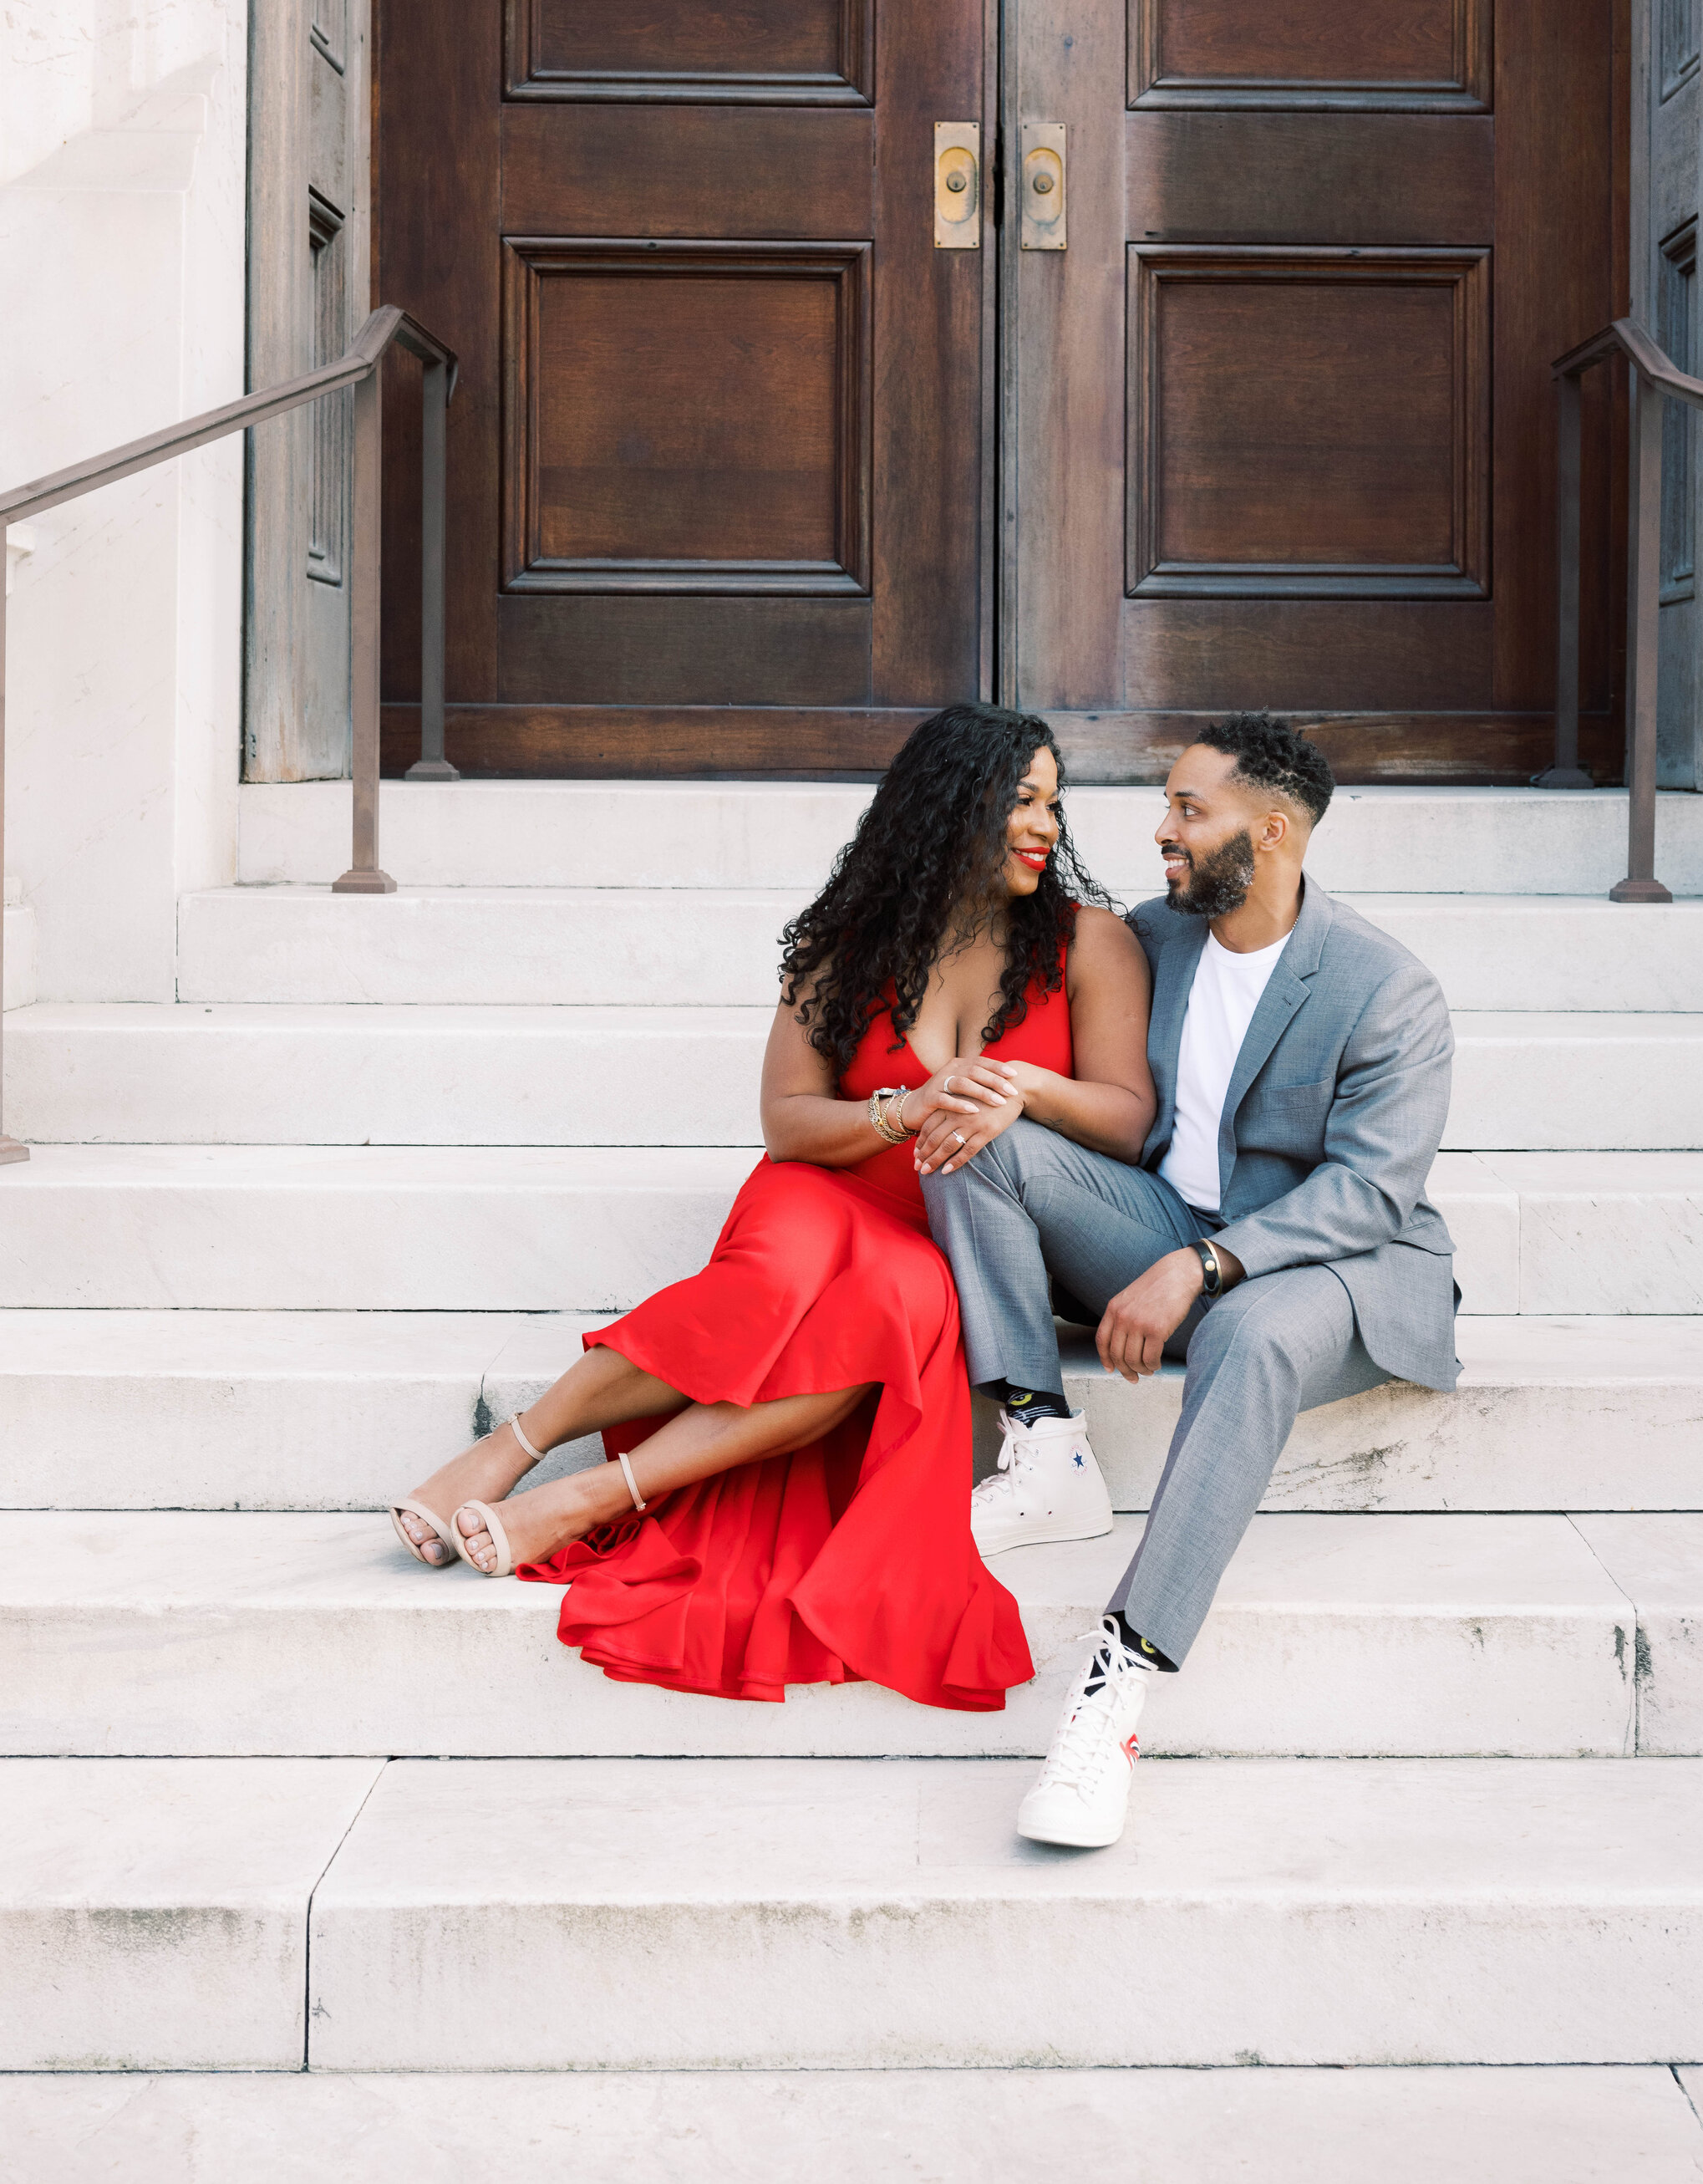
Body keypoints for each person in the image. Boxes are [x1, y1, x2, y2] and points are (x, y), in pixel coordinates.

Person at [387, 704, 1156, 1713]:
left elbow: (1128, 1120)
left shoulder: (1090, 941)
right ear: (946, 809)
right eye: (1021, 801)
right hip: (826, 1186)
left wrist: (1019, 1088)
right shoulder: (848, 945)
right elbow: (787, 1122)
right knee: (770, 1285)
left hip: (947, 1227)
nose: (1046, 826)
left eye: (1055, 804)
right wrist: (902, 1107)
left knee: (886, 1317)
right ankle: (506, 1450)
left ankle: (585, 1497)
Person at [924, 712, 1456, 1840]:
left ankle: (1115, 1692)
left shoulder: (1384, 987)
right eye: (1165, 805)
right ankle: (1044, 1443)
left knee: (1249, 1334)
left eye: (1186, 809)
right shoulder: (1151, 938)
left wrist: (1204, 1265)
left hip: (1331, 1264)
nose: (1160, 829)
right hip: (1168, 1222)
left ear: (1268, 832)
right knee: (985, 1125)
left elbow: (1372, 1191)